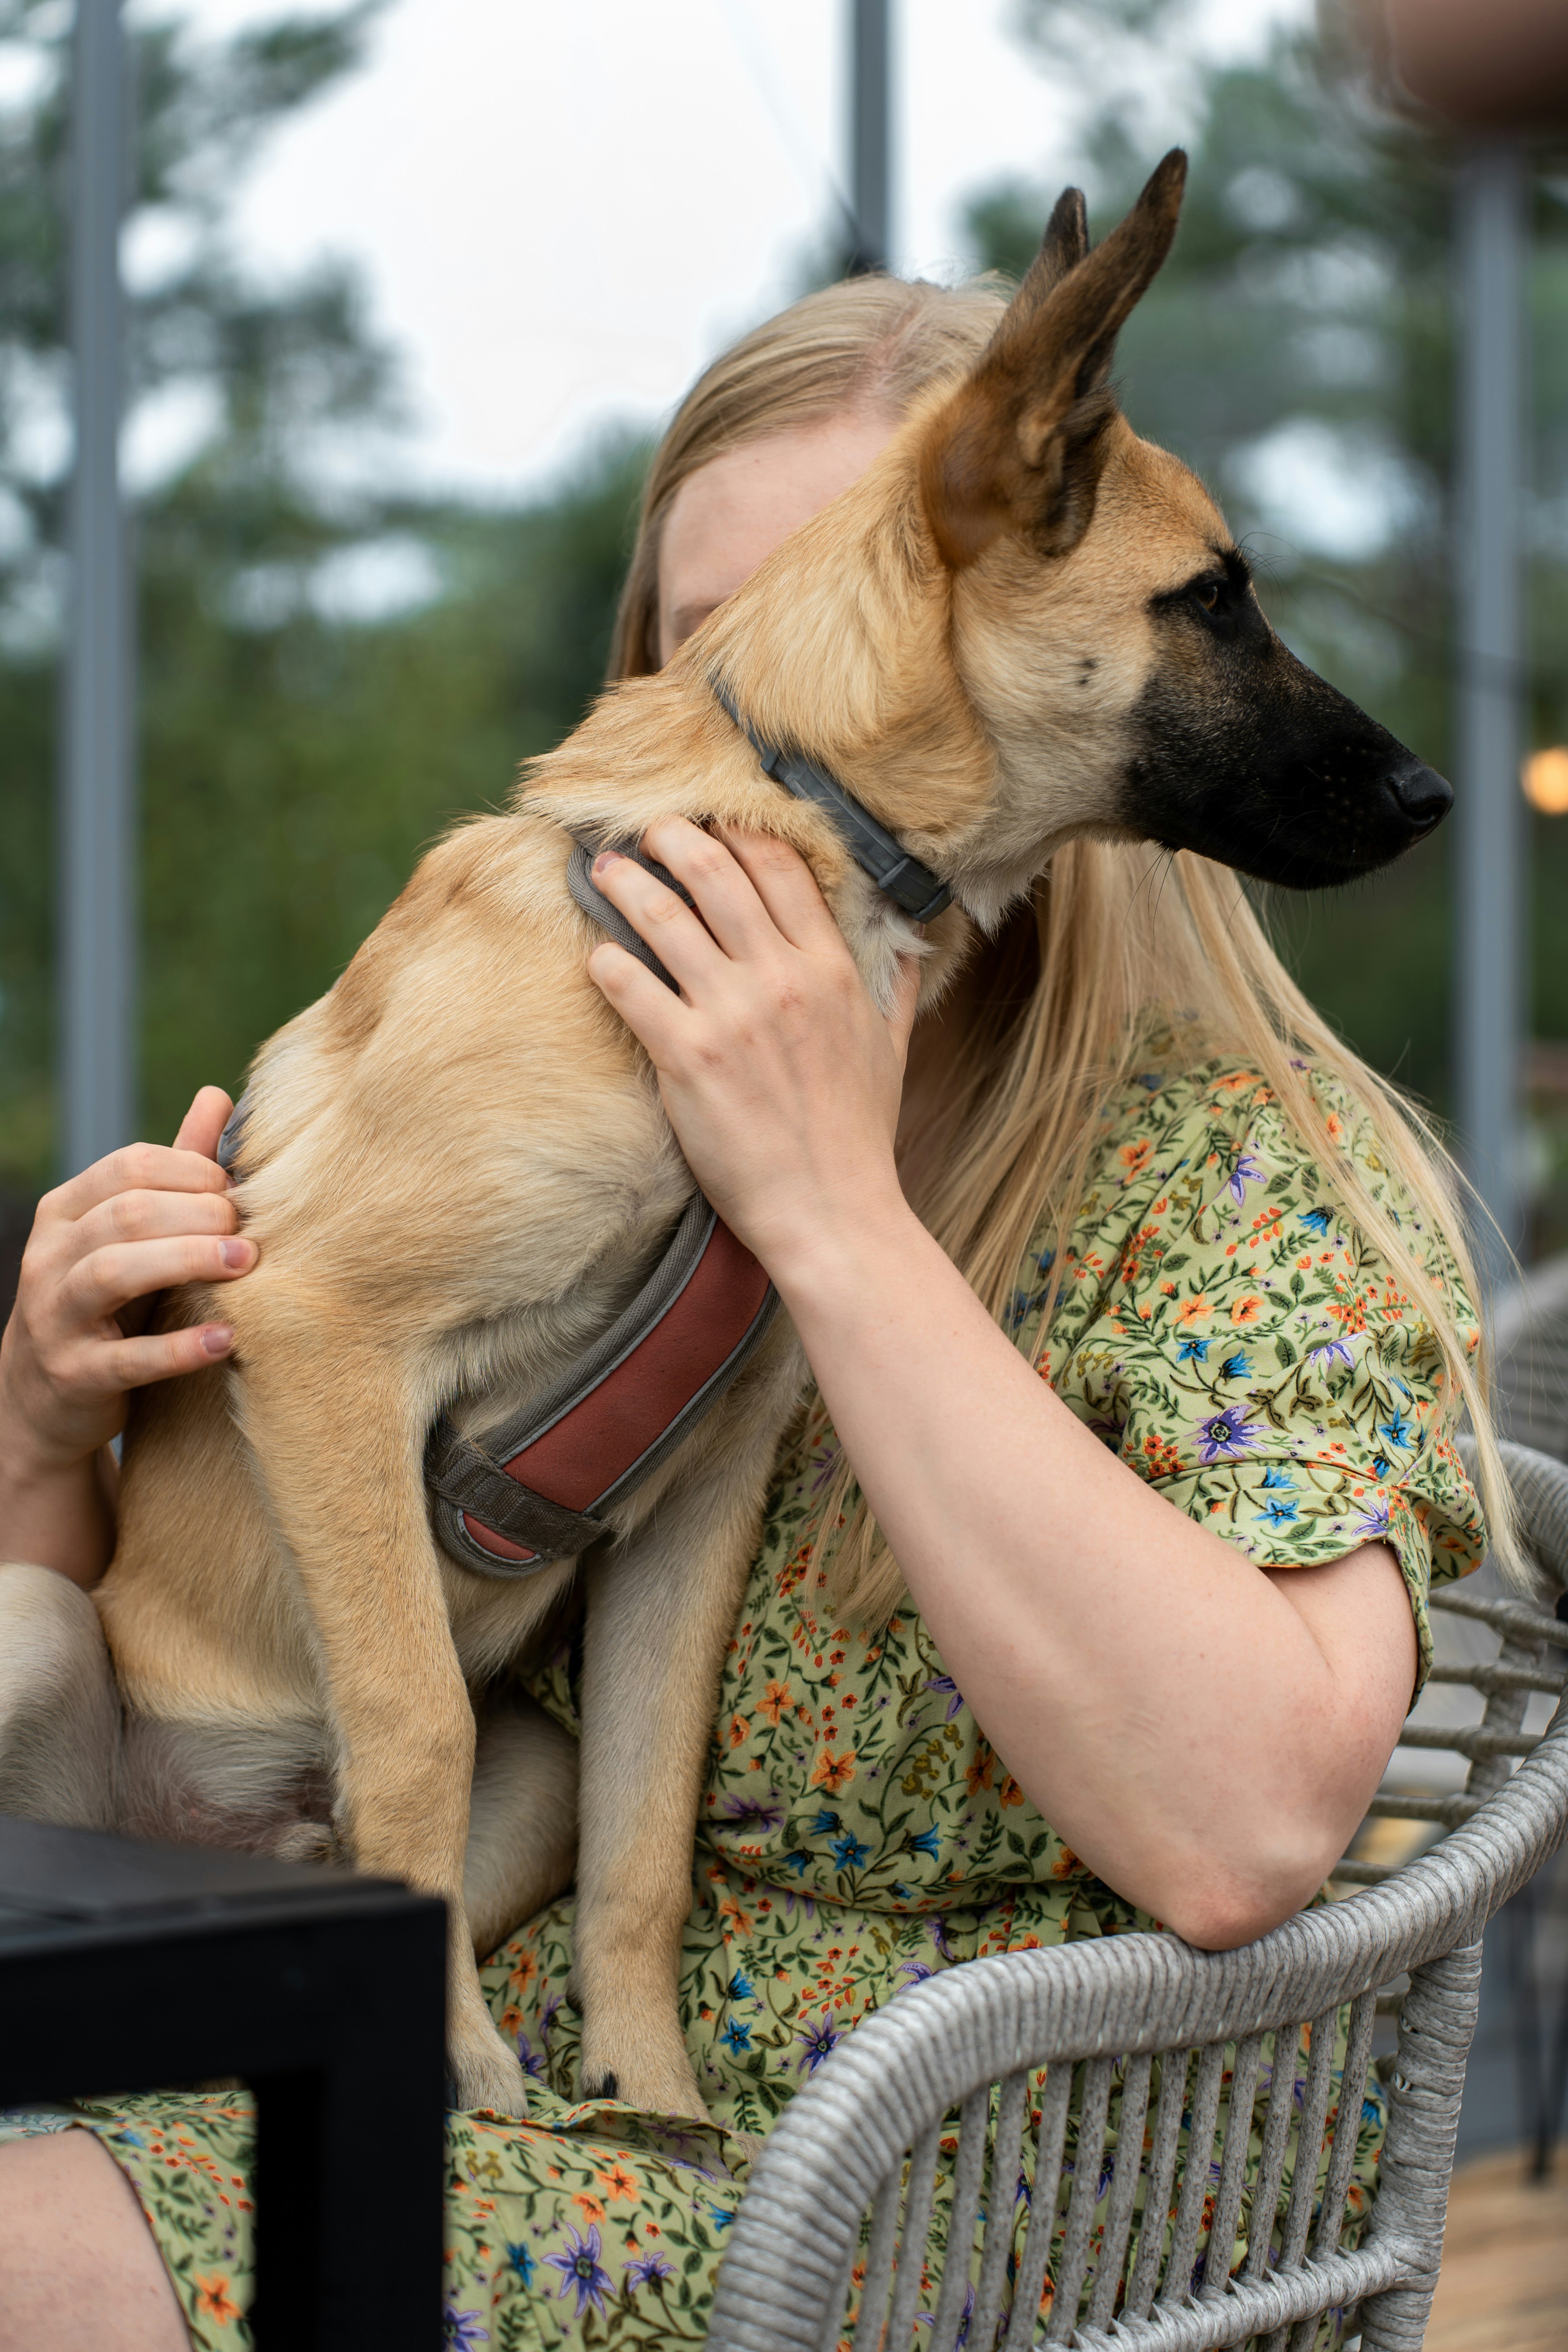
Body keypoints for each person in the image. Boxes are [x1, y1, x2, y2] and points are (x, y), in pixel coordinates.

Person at [0, 271, 1493, 2352]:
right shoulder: (543, 1028)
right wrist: (45, 1431)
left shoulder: (1230, 1181)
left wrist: (831, 1211)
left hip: (895, 2173)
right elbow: (185, 1612)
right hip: (422, 2028)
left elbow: (1246, 1827)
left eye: (868, 593)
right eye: (732, 632)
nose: (825, 672)